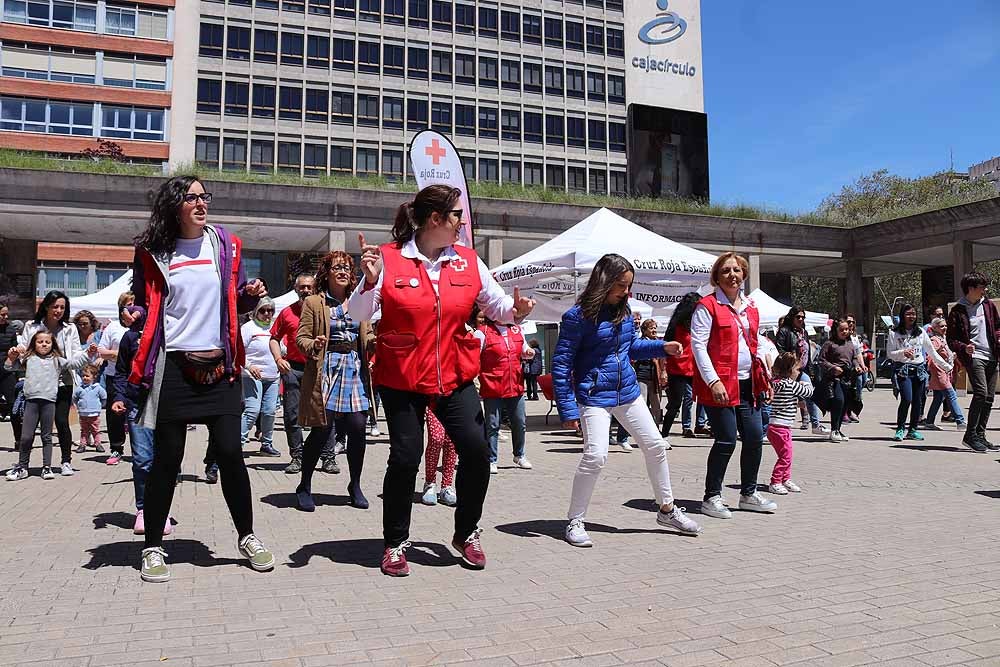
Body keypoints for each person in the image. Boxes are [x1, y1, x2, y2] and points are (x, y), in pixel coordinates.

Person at [348, 184, 535, 576]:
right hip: (401, 376)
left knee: (477, 452)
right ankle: (395, 542)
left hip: (454, 374)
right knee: (405, 456)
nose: (462, 225)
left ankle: (466, 532)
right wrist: (368, 282)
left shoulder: (467, 261)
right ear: (436, 219)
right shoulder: (388, 259)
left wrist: (515, 310)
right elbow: (356, 314)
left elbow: (495, 305)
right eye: (457, 218)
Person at [124, 175, 274, 583]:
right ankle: (153, 545)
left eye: (204, 196)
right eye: (191, 197)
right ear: (174, 204)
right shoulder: (154, 251)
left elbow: (232, 299)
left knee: (230, 453)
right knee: (167, 460)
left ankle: (248, 537)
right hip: (173, 364)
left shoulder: (224, 244)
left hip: (220, 364)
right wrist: (135, 316)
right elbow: (143, 302)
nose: (200, 202)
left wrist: (249, 295)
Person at [553, 253, 701, 548]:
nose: (626, 292)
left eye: (629, 286)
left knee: (656, 446)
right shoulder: (577, 317)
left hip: (628, 393)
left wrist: (663, 347)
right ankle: (575, 520)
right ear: (604, 282)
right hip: (594, 397)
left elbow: (630, 346)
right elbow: (561, 363)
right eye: (622, 285)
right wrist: (568, 407)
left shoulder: (624, 309)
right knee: (596, 456)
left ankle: (667, 510)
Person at [691, 252, 777, 519]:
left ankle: (748, 494)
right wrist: (713, 380)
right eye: (726, 270)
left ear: (744, 275)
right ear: (717, 277)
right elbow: (698, 346)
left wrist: (766, 375)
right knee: (726, 440)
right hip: (720, 384)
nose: (732, 275)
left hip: (748, 383)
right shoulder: (707, 306)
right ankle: (711, 497)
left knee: (754, 438)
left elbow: (755, 344)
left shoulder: (751, 307)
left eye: (737, 270)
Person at [294, 250, 374, 512]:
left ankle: (355, 485)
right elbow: (301, 339)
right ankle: (304, 485)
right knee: (322, 429)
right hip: (325, 368)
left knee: (357, 427)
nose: (343, 272)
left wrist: (380, 340)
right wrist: (314, 344)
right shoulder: (315, 303)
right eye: (337, 268)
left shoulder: (361, 300)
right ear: (326, 273)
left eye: (347, 269)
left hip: (354, 368)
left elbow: (368, 336)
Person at [15, 290, 90, 476]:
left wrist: (88, 354)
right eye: (55, 306)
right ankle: (23, 465)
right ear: (46, 306)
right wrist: (18, 352)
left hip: (62, 382)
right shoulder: (32, 326)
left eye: (62, 307)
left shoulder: (69, 328)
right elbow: (24, 352)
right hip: (39, 384)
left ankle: (66, 461)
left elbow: (76, 353)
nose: (58, 310)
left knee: (62, 421)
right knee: (31, 427)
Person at [110, 305, 170, 536]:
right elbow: (122, 371)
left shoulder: (168, 331)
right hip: (137, 403)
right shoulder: (130, 337)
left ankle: (162, 510)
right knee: (143, 459)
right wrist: (118, 396)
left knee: (165, 460)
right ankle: (144, 510)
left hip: (166, 403)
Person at [5, 331, 96, 480]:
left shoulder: (57, 360)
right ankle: (22, 467)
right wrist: (11, 357)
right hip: (31, 401)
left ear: (53, 344)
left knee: (46, 437)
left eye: (47, 342)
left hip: (49, 402)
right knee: (26, 436)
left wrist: (88, 353)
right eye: (40, 341)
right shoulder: (28, 358)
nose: (44, 344)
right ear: (34, 343)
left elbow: (74, 364)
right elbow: (9, 367)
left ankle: (46, 467)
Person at [947, 272, 1000, 452]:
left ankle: (980, 434)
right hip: (974, 357)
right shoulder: (957, 311)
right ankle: (969, 435)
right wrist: (964, 347)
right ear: (971, 288)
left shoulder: (988, 305)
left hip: (992, 356)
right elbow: (951, 340)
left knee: (989, 398)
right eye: (982, 287)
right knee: (980, 393)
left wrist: (999, 339)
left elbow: (997, 328)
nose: (985, 290)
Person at [269, 274, 317, 473]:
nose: (305, 290)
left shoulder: (324, 312)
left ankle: (326, 456)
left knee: (323, 415)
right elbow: (273, 338)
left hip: (317, 368)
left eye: (309, 287)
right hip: (293, 369)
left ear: (315, 289)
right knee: (291, 415)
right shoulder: (287, 312)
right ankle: (297, 456)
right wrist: (279, 359)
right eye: (302, 287)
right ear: (296, 289)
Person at [476, 315, 534, 474]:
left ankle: (519, 455)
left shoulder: (517, 330)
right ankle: (491, 459)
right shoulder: (483, 332)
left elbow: (524, 350)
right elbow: (474, 357)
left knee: (519, 422)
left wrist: (529, 352)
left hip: (515, 385)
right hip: (493, 386)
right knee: (492, 425)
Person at [887, 304, 951, 443]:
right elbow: (890, 354)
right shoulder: (894, 333)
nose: (911, 317)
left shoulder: (921, 332)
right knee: (907, 399)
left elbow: (932, 352)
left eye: (913, 314)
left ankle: (913, 430)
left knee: (918, 402)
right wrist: (902, 352)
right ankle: (900, 429)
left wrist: (946, 366)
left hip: (919, 370)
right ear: (903, 315)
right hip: (903, 370)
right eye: (908, 314)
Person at [775, 306, 828, 435]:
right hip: (788, 371)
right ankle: (771, 426)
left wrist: (810, 370)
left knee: (810, 393)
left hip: (802, 370)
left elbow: (807, 352)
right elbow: (780, 350)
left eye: (802, 317)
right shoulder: (784, 331)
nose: (800, 319)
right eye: (798, 316)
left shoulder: (804, 332)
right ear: (792, 317)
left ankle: (815, 425)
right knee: (783, 397)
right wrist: (790, 365)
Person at [240, 297, 282, 457]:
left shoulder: (274, 328)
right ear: (256, 311)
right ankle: (236, 444)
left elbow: (281, 347)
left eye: (270, 310)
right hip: (252, 376)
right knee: (252, 410)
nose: (266, 314)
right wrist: (249, 366)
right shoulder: (248, 328)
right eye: (263, 310)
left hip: (272, 377)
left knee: (270, 411)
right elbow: (239, 351)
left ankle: (266, 444)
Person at [766, 352, 812, 495]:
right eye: (797, 370)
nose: (799, 372)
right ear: (789, 370)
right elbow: (808, 392)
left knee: (787, 454)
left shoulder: (775, 382)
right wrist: (806, 383)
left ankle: (785, 479)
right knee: (785, 456)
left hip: (774, 426)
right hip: (782, 427)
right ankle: (776, 481)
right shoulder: (790, 384)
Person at [97, 296, 134, 466]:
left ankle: (140, 450)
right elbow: (101, 351)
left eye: (135, 303)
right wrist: (120, 355)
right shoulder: (113, 327)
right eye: (129, 305)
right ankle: (116, 448)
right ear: (121, 308)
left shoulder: (144, 326)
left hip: (138, 377)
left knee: (136, 414)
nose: (133, 307)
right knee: (115, 415)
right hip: (115, 376)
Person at [816, 318, 865, 442]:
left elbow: (853, 358)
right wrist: (833, 367)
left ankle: (838, 429)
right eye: (842, 330)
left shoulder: (850, 344)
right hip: (833, 379)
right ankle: (834, 430)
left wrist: (857, 366)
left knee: (845, 403)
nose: (845, 332)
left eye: (847, 329)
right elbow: (821, 360)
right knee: (838, 401)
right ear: (835, 330)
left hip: (848, 378)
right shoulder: (829, 344)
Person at [661, 292, 701, 438]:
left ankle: (700, 426)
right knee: (675, 404)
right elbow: (664, 347)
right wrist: (663, 369)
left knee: (700, 399)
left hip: (693, 368)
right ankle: (664, 435)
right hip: (676, 369)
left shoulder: (697, 324)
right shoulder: (676, 325)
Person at [924, 318, 965, 431]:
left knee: (938, 398)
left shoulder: (943, 339)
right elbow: (930, 356)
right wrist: (940, 368)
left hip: (946, 373)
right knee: (951, 395)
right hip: (940, 374)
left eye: (945, 325)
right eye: (941, 326)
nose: (945, 328)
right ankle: (960, 421)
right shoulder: (934, 340)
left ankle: (929, 422)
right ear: (934, 328)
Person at [421, 408, 457, 506]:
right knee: (436, 439)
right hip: (433, 399)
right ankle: (430, 483)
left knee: (452, 442)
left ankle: (446, 486)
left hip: (454, 400)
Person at [634, 319, 666, 426]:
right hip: (642, 376)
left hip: (654, 378)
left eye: (655, 328)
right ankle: (642, 427)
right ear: (644, 330)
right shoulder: (640, 342)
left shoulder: (658, 342)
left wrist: (663, 372)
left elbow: (662, 359)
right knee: (642, 403)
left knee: (656, 404)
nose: (654, 330)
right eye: (651, 328)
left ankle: (656, 427)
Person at [73, 364, 106, 453]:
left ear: (94, 377)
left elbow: (104, 398)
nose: (85, 378)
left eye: (87, 376)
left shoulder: (98, 388)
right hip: (83, 414)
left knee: (95, 430)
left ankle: (98, 444)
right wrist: (79, 406)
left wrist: (99, 406)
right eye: (83, 376)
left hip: (94, 414)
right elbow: (75, 398)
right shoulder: (79, 388)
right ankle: (82, 445)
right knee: (84, 431)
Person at [0, 304, 19, 425]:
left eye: (7, 314)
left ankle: (19, 439)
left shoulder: (10, 329)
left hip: (6, 371)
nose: (6, 317)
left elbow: (15, 347)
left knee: (14, 403)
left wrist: (14, 353)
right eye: (2, 314)